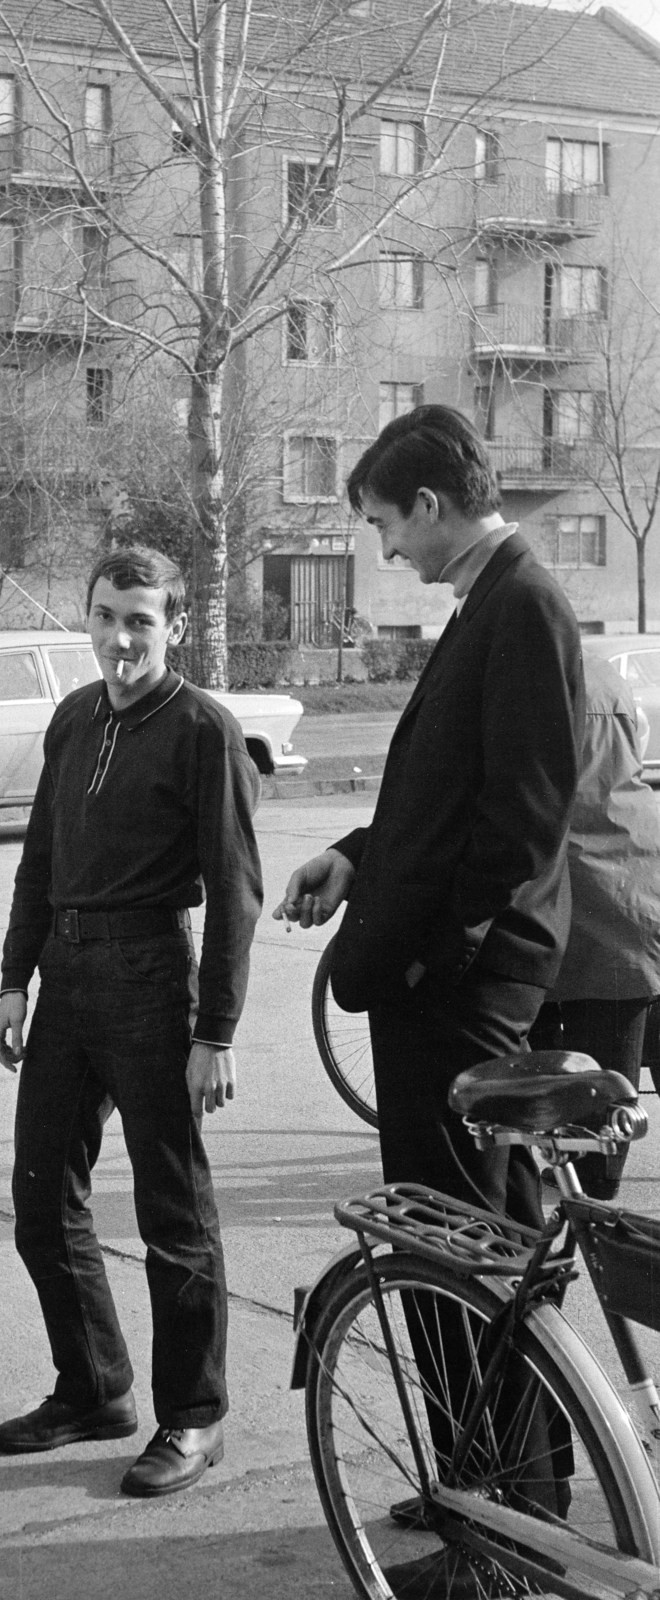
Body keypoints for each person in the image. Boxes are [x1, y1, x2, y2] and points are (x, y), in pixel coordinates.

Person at [276, 406, 583, 1598]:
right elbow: (440, 798)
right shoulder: (490, 605)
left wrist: (424, 962)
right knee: (443, 1249)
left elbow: (518, 824)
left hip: (460, 998)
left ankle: (518, 1512)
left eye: (383, 526)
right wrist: (358, 851)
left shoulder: (524, 606)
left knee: (478, 1258)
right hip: (439, 987)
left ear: (432, 506)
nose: (384, 551)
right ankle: (474, 1472)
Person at [0, 545, 263, 1498]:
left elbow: (233, 894)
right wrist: (14, 980)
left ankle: (194, 1419)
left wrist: (214, 1033)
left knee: (172, 1216)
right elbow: (38, 857)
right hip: (64, 979)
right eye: (106, 616)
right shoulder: (74, 719)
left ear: (174, 627)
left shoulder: (203, 731)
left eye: (141, 620)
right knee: (39, 1201)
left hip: (153, 980)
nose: (119, 638)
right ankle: (93, 1386)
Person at [528, 650, 660, 1198]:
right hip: (641, 861)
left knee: (600, 1054)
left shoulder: (541, 683)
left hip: (590, 886)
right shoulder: (606, 676)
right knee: (634, 1025)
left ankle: (594, 1182)